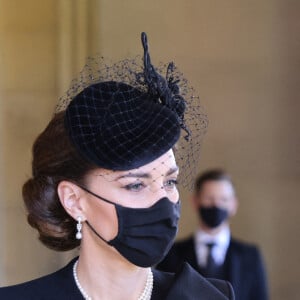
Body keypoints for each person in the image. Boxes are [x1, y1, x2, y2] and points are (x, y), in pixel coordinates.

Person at [0, 34, 234, 299]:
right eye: (135, 184)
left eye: (169, 181)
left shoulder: (207, 296)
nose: (163, 202)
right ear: (74, 200)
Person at [157, 169, 269, 300]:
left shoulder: (250, 256)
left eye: (224, 199)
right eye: (209, 198)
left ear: (233, 205)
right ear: (195, 201)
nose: (216, 205)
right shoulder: (171, 253)